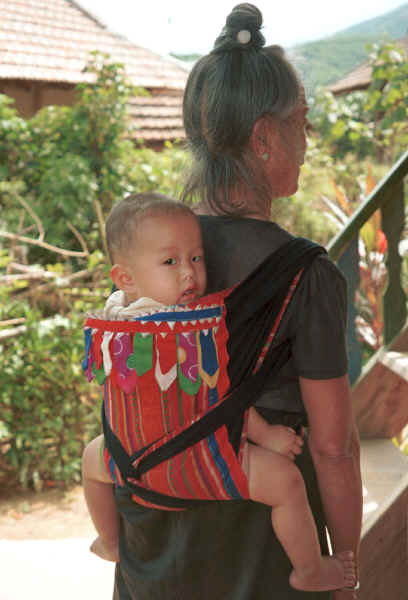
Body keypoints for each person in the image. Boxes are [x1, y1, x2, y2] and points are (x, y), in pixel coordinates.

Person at [112, 4, 363, 600]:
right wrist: (347, 567)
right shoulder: (308, 276)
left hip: (154, 559)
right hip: (259, 562)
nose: (309, 140)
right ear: (264, 138)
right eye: (302, 122)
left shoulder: (150, 258)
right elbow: (333, 447)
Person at [82, 193, 355, 592]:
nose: (188, 274)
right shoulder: (190, 329)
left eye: (196, 258)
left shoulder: (115, 317)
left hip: (132, 463)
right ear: (125, 278)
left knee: (91, 459)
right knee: (286, 483)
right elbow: (220, 399)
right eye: (170, 262)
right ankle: (310, 570)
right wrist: (269, 438)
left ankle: (111, 543)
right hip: (194, 464)